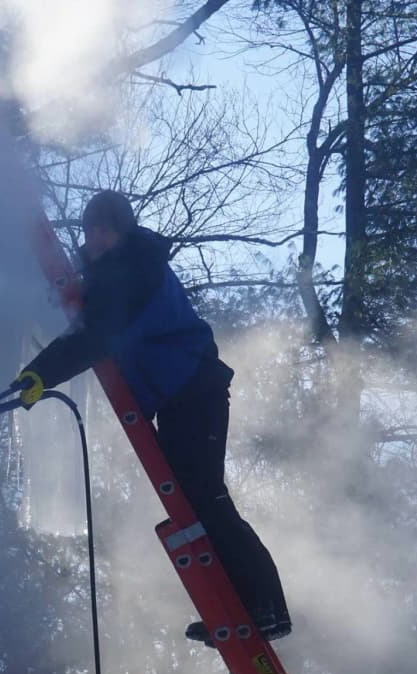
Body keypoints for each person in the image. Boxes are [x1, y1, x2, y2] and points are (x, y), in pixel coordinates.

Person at [14, 190, 291, 642]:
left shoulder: (136, 268)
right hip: (179, 396)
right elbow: (92, 324)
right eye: (89, 229)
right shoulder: (111, 275)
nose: (95, 237)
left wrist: (39, 375)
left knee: (207, 498)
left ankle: (265, 606)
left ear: (121, 230)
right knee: (197, 502)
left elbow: (92, 337)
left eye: (104, 228)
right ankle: (244, 607)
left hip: (194, 389)